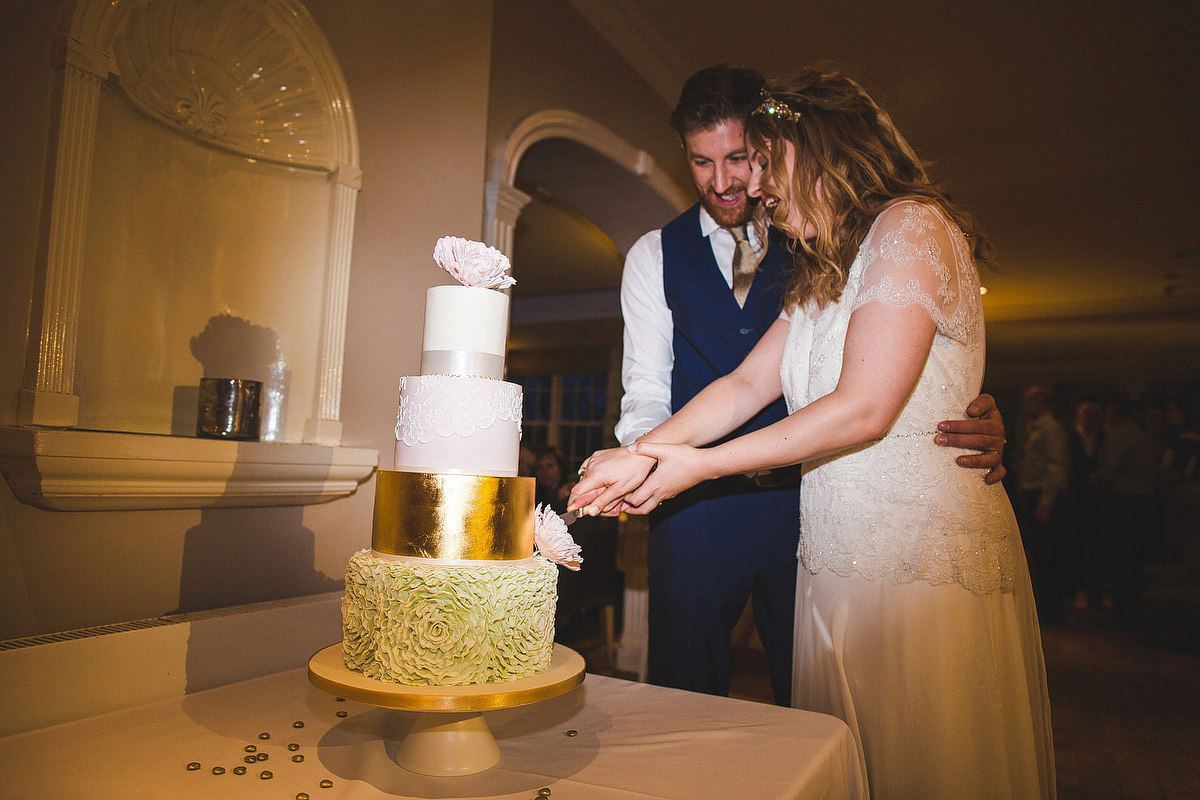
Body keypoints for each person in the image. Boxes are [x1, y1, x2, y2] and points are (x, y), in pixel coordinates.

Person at [573, 67, 1053, 798]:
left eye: (764, 164)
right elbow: (742, 385)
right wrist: (638, 456)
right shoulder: (825, 268)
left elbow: (866, 407)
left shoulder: (912, 226)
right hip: (834, 551)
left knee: (925, 755)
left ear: (816, 149)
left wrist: (696, 468)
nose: (755, 187)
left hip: (912, 552)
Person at [1016, 386, 1071, 623]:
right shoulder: (1036, 427)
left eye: (1030, 402)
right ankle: (1046, 607)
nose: (1026, 407)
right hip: (1033, 494)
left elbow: (1056, 467)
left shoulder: (1051, 429)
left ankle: (1053, 610)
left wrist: (1045, 503)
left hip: (1045, 497)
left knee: (1049, 555)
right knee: (1039, 553)